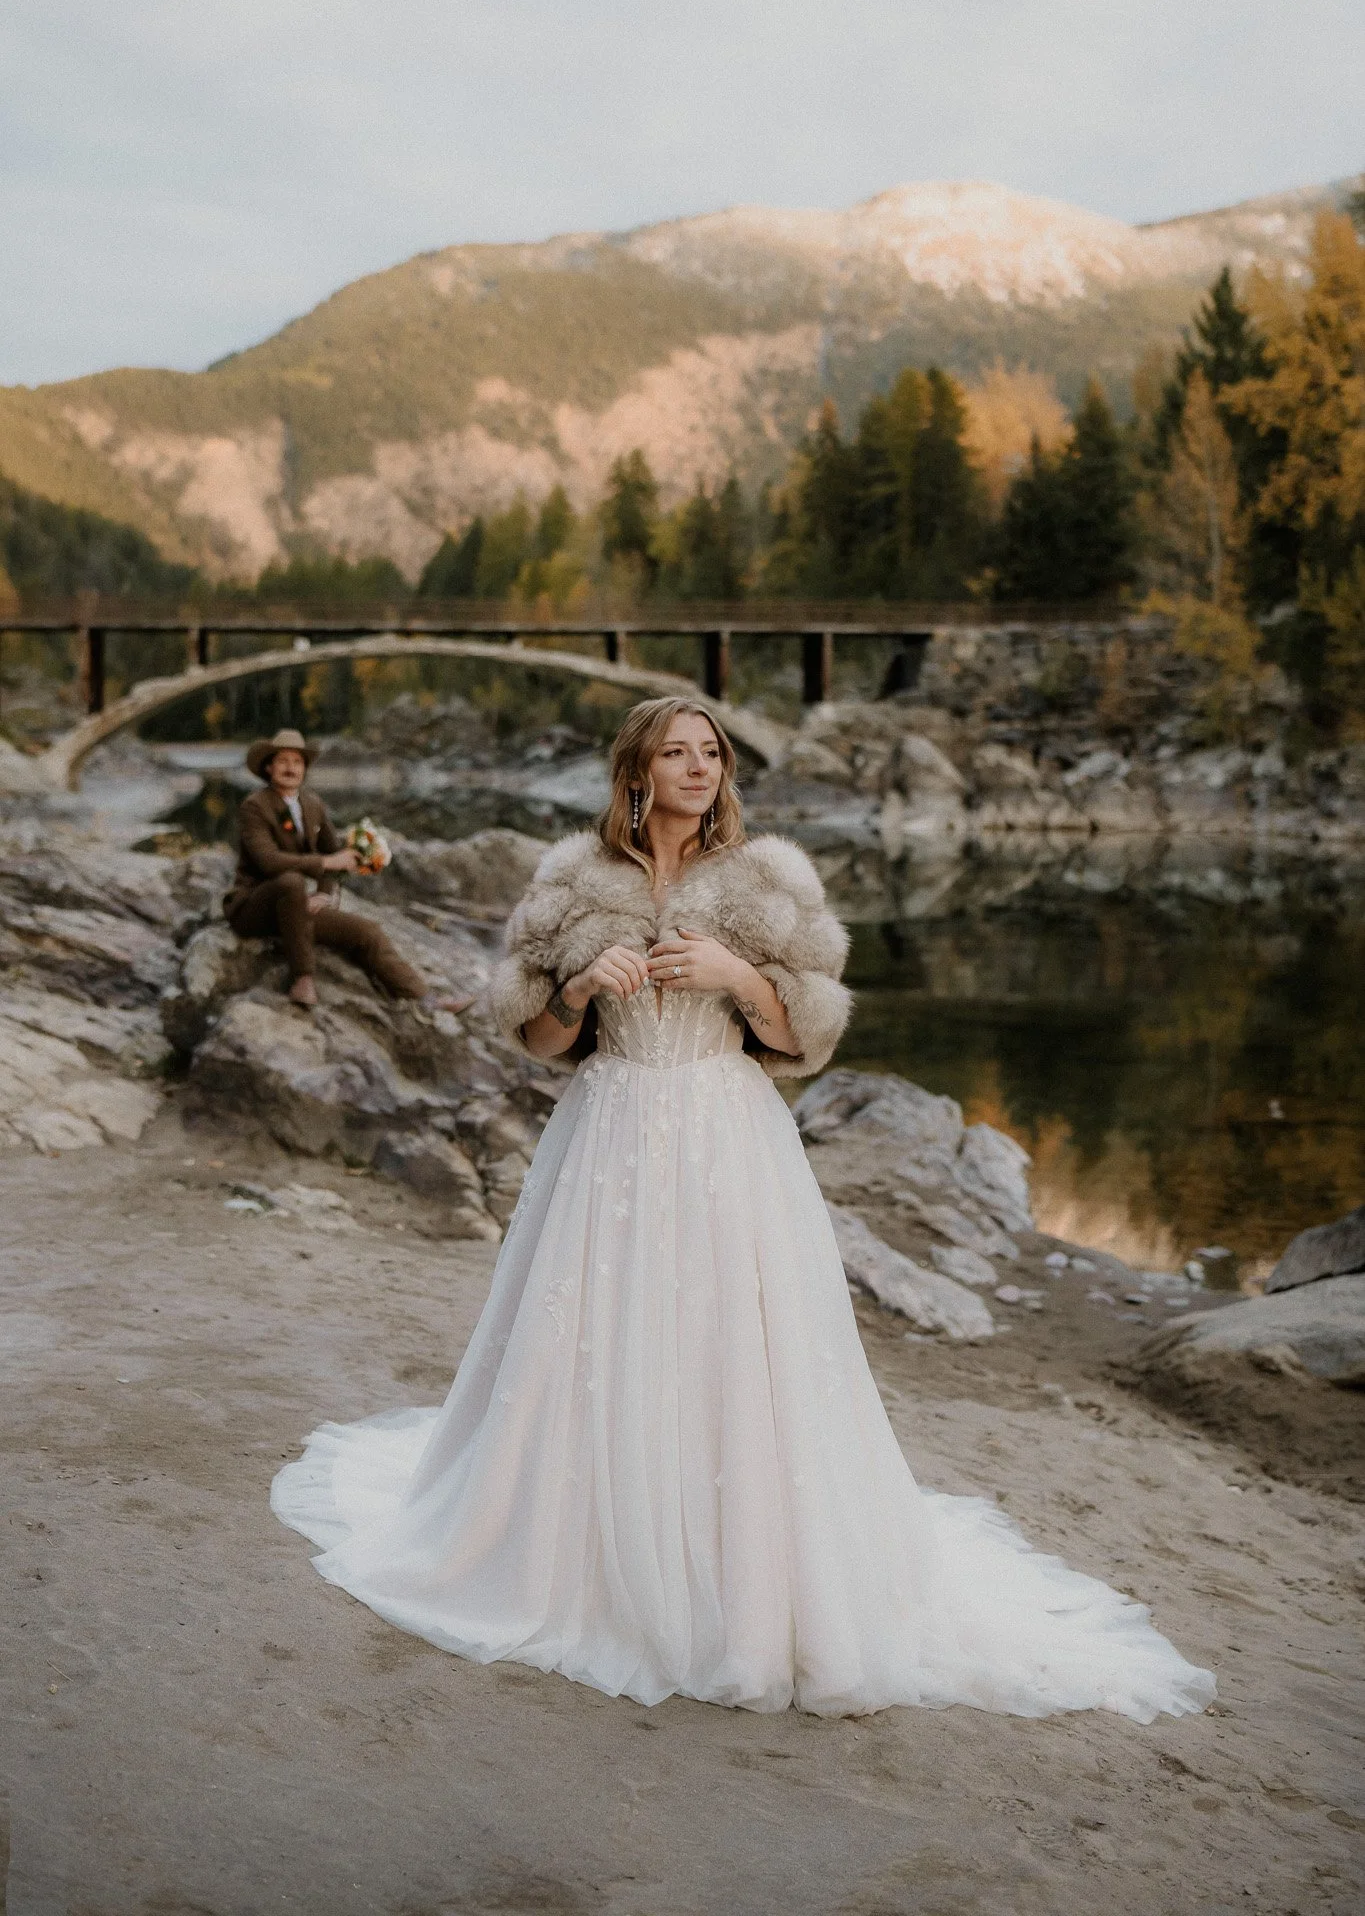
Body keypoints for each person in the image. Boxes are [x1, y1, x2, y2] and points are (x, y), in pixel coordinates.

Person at [271, 698, 1214, 1722]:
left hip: (729, 1131)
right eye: (674, 752)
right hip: (612, 1132)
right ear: (634, 771)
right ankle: (579, 1555)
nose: (698, 767)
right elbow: (537, 1041)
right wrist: (581, 987)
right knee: (591, 1341)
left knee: (736, 1347)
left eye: (710, 751)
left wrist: (741, 975)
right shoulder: (573, 880)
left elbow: (803, 1039)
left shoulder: (770, 880)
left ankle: (747, 1574)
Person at [224, 727, 459, 1012]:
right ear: (269, 767)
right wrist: (325, 864)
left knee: (366, 931)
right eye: (283, 761)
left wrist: (324, 893)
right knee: (291, 882)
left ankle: (425, 998)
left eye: (297, 762)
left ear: (305, 769)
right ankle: (302, 979)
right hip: (253, 908)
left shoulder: (312, 804)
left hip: (293, 910)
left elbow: (334, 851)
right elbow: (269, 861)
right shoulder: (255, 806)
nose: (290, 768)